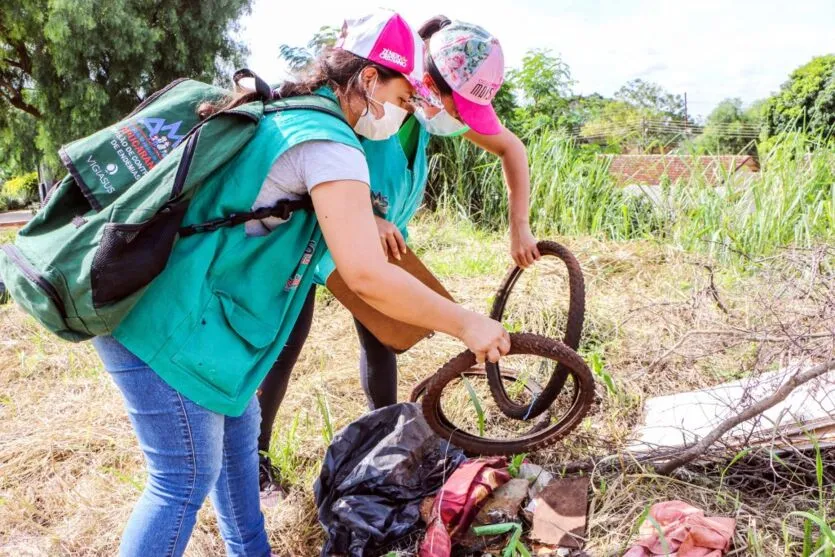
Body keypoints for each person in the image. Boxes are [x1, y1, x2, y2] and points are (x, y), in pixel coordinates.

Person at [91, 10, 509, 557]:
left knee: (239, 449)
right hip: (164, 327)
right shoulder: (329, 143)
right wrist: (466, 323)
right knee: (182, 483)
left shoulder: (293, 113)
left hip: (205, 327)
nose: (407, 111)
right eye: (405, 97)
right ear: (368, 79)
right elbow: (365, 275)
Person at [257, 16, 540, 497]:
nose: (455, 119)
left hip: (381, 250)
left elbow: (510, 147)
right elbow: (315, 170)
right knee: (286, 342)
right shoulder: (369, 108)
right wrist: (367, 217)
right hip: (314, 238)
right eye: (453, 105)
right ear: (424, 85)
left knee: (383, 338)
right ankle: (255, 458)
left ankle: (382, 440)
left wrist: (519, 226)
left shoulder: (422, 114)